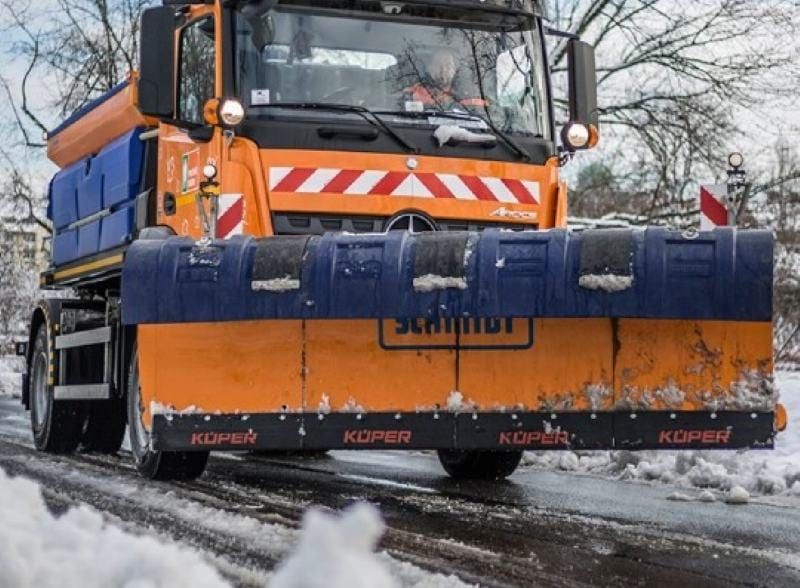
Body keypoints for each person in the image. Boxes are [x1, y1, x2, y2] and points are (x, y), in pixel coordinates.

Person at [404, 49, 487, 110]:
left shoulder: (467, 96)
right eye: (439, 65)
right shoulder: (412, 94)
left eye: (448, 66)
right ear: (429, 69)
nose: (443, 70)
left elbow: (486, 111)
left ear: (455, 70)